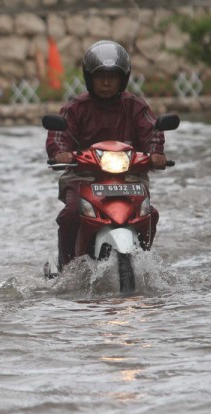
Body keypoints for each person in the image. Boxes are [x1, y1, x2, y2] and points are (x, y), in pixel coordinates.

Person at [45, 40, 168, 269]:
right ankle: (66, 268)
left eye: (112, 76)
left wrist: (156, 153)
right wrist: (61, 153)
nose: (105, 81)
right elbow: (59, 134)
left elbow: (152, 132)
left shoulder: (136, 107)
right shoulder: (75, 108)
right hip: (84, 177)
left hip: (129, 177)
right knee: (71, 214)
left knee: (150, 214)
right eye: (100, 75)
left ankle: (143, 262)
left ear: (124, 78)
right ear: (88, 77)